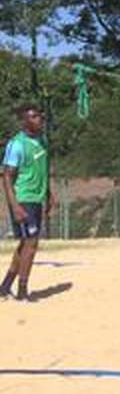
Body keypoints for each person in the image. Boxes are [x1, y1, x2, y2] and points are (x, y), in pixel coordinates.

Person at [1, 103, 54, 302]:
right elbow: (6, 176)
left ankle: (5, 286)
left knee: (26, 244)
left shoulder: (42, 141)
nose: (39, 119)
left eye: (39, 116)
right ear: (24, 121)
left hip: (36, 198)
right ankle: (22, 291)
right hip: (23, 198)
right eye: (33, 117)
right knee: (31, 244)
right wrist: (14, 206)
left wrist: (48, 194)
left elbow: (42, 170)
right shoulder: (16, 144)